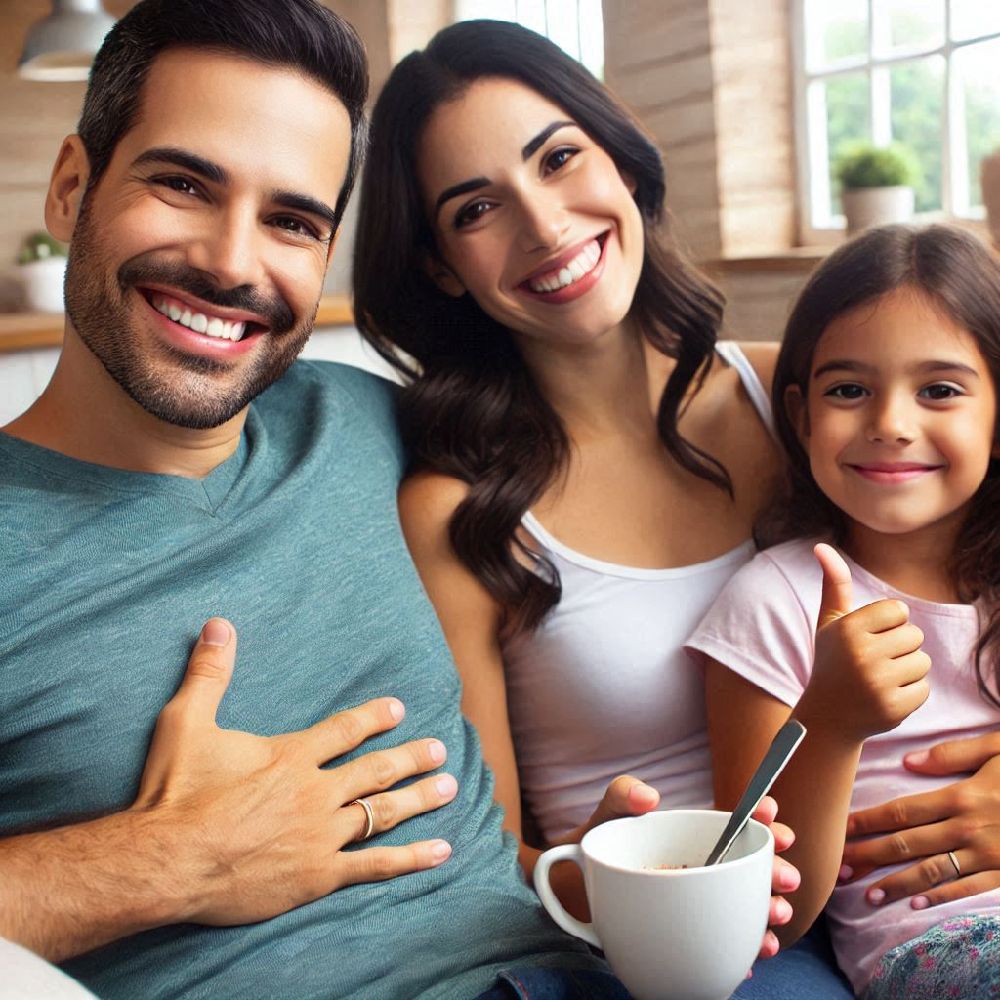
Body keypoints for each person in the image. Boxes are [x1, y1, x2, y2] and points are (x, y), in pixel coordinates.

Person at [0, 2, 645, 997]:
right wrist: (171, 861)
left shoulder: (379, 429)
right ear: (72, 186)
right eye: (182, 184)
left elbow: (653, 413)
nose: (229, 262)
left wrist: (589, 874)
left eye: (292, 221)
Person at [352, 18, 849, 997]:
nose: (543, 226)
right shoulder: (459, 509)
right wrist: (575, 865)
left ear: (618, 154)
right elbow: (485, 841)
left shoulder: (792, 397)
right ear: (440, 267)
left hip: (863, 901)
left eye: (559, 157)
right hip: (647, 949)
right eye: (476, 208)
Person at [689, 224, 1000, 998]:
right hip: (941, 948)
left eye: (940, 389)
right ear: (800, 416)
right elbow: (767, 907)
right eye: (849, 389)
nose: (891, 421)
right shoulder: (776, 600)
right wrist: (829, 724)